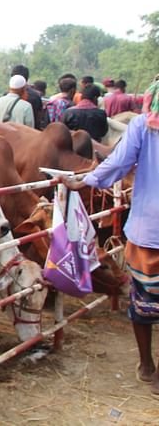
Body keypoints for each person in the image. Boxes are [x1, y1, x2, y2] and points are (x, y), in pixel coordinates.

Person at [59, 76, 159, 397]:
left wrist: (84, 180)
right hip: (148, 230)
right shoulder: (142, 125)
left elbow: (118, 163)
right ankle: (150, 368)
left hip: (147, 229)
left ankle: (146, 366)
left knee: (144, 303)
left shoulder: (145, 125)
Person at [10, 65, 45, 129]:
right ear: (27, 78)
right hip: (29, 135)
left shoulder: (0, 100)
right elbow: (39, 119)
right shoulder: (35, 97)